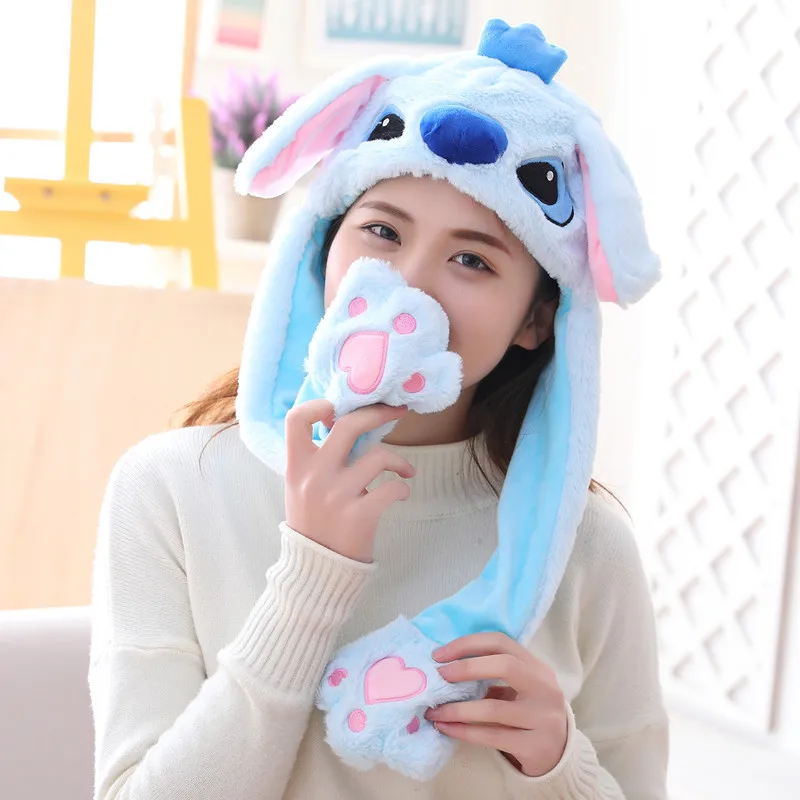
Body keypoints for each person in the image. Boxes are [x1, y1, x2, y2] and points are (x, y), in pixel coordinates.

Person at [89, 19, 669, 800]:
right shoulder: (171, 490)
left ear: (538, 318)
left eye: (472, 259)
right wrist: (311, 577)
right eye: (382, 231)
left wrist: (560, 763)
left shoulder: (588, 549)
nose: (410, 283)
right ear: (322, 249)